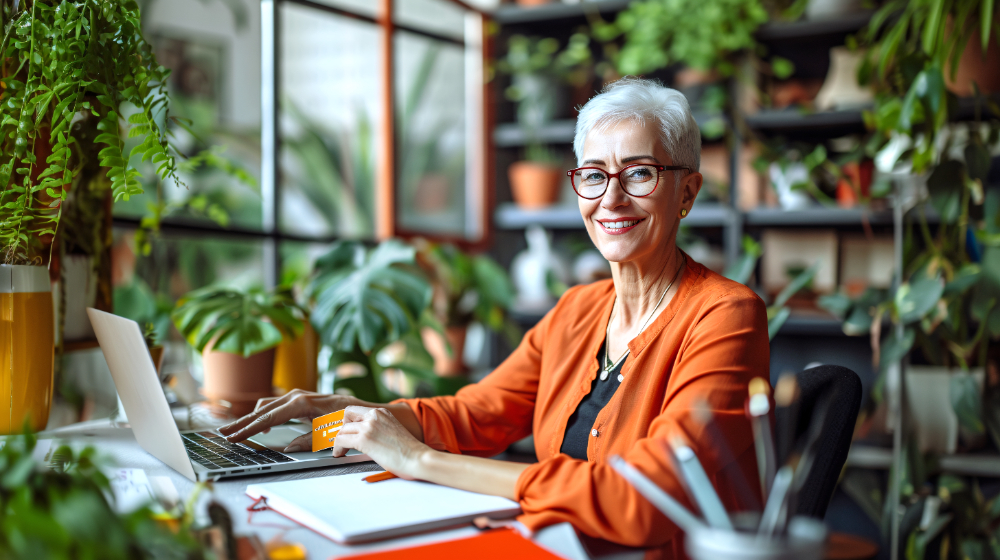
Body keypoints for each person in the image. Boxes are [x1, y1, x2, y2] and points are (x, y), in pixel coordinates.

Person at [220, 77, 769, 557]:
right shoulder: (578, 309)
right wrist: (357, 413)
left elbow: (639, 501)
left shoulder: (726, 318)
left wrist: (419, 460)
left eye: (640, 173)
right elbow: (475, 415)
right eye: (595, 175)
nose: (612, 198)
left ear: (687, 192)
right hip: (550, 543)